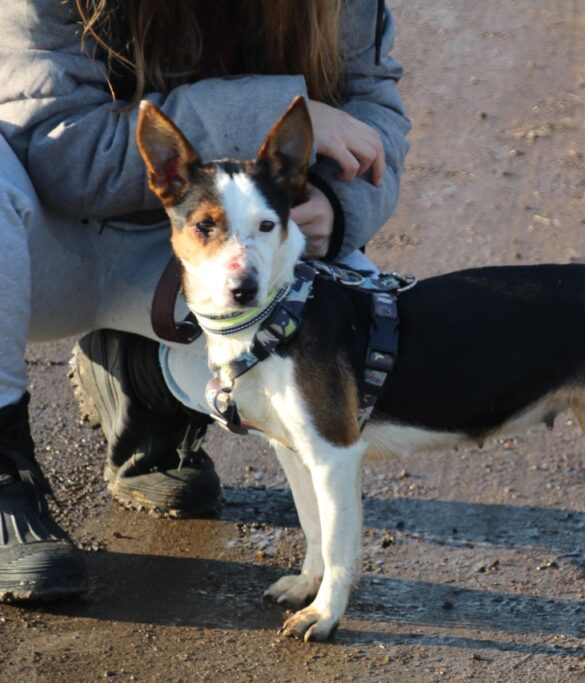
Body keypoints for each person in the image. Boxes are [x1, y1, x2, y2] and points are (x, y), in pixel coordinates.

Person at [0, 0, 409, 601]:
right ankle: (4, 482)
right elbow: (56, 147)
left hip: (235, 256)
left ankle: (145, 383)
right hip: (52, 251)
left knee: (357, 356)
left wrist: (337, 207)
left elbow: (376, 114)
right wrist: (273, 110)